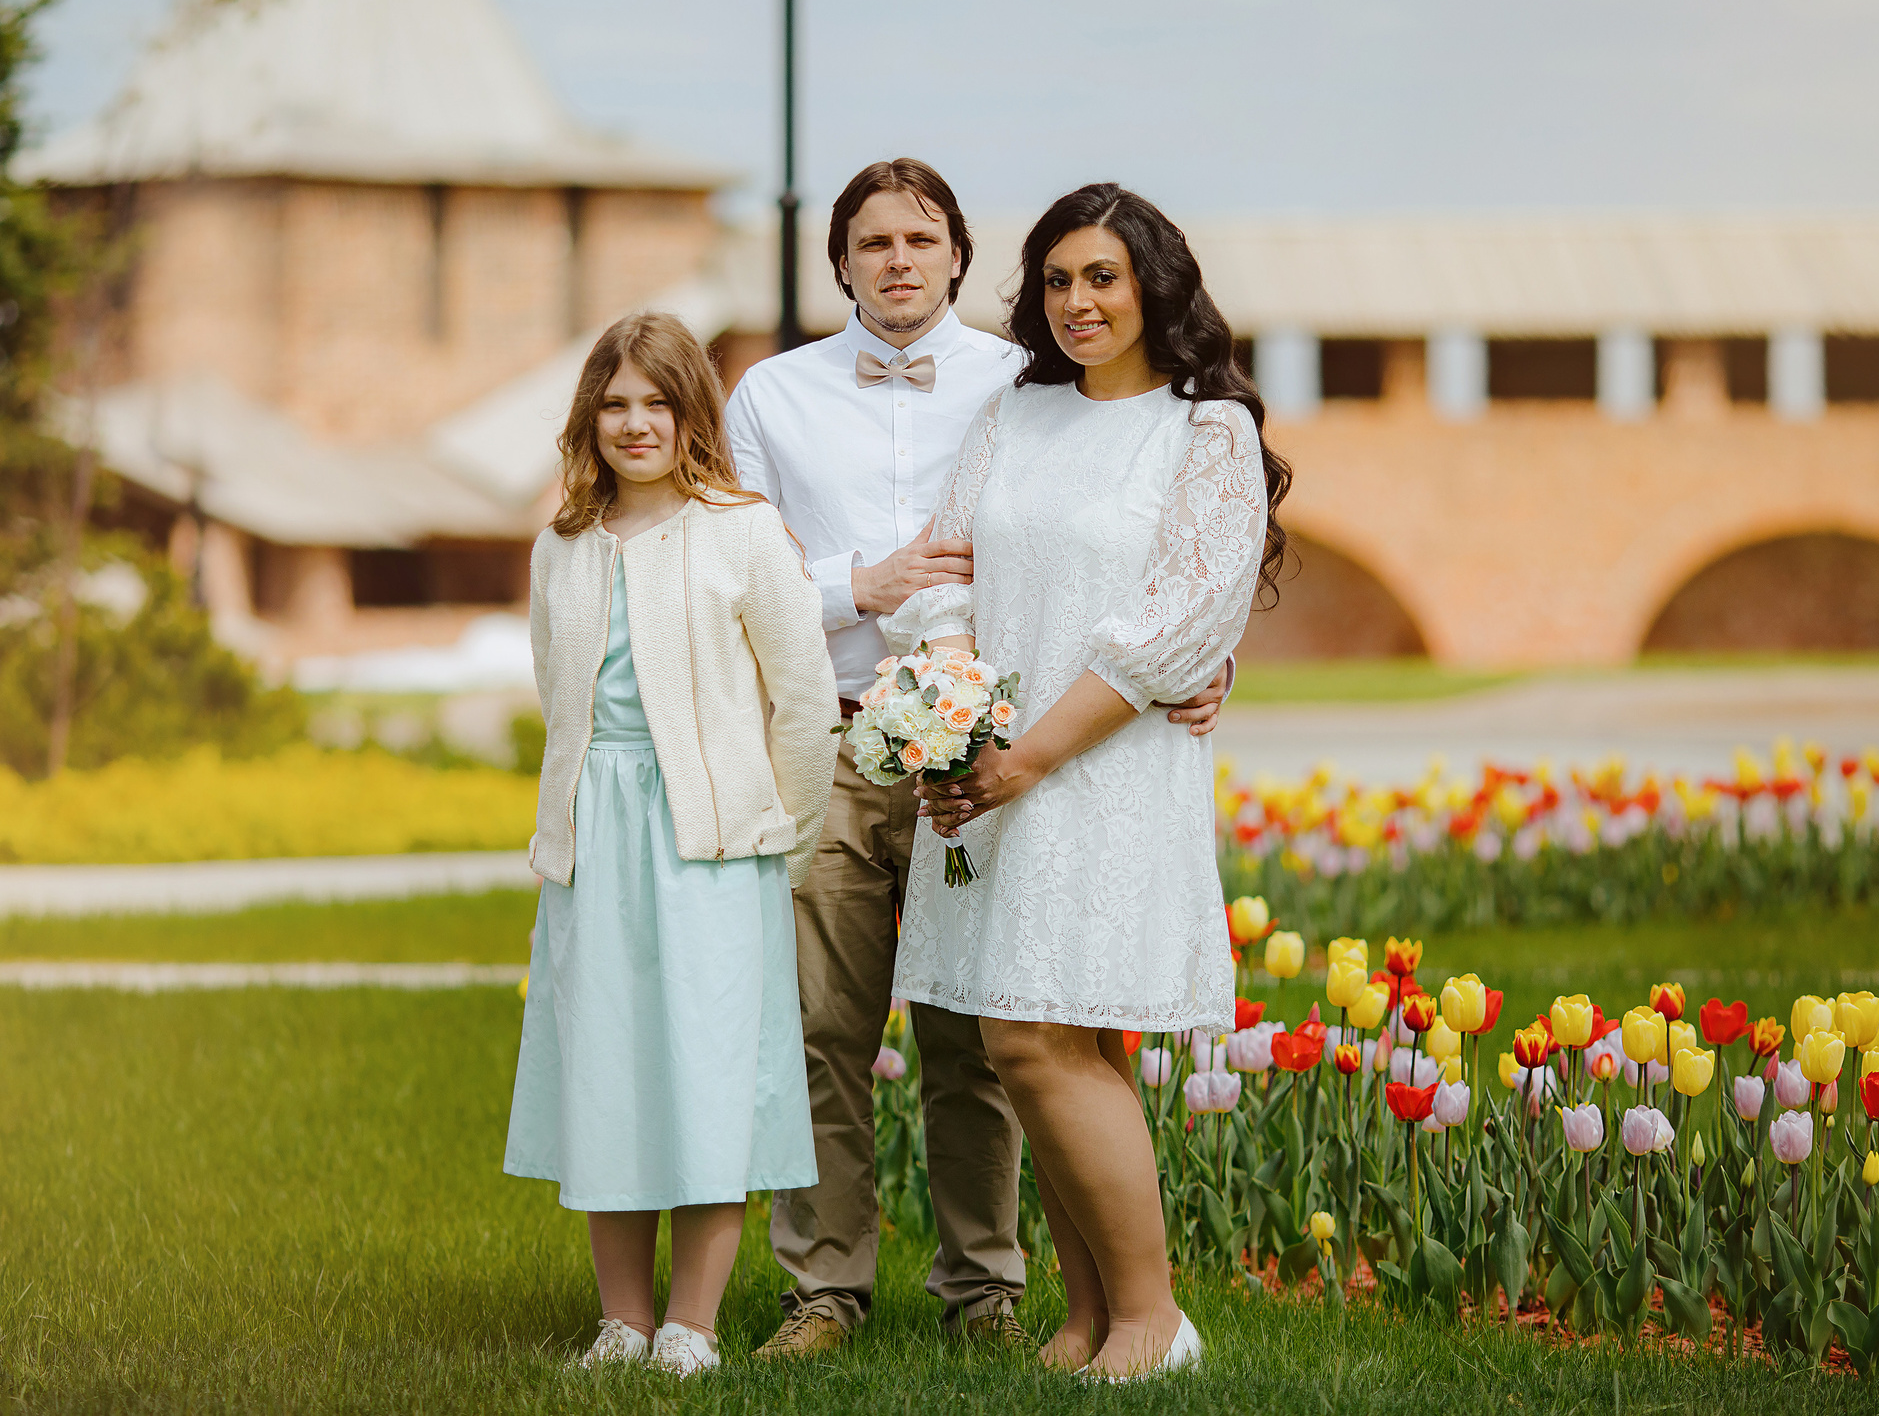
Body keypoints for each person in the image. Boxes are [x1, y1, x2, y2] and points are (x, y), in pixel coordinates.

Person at [723, 159, 1232, 1360]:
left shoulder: (1034, 378)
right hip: (838, 728)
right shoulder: (770, 397)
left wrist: (1199, 662)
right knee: (824, 1031)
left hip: (1014, 750)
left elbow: (1160, 563)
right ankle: (825, 1294)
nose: (897, 259)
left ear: (956, 256)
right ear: (838, 262)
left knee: (995, 1039)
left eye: (921, 238)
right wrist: (866, 588)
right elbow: (733, 575)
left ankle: (987, 1294)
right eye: (871, 243)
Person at [889, 182, 1291, 1381]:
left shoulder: (1202, 432)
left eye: (1102, 277)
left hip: (1102, 769)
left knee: (1034, 1033)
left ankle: (1151, 1321)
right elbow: (945, 578)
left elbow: (1175, 625)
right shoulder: (1013, 417)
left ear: (1154, 285)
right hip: (992, 767)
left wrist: (1032, 755)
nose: (1077, 302)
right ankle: (1084, 1316)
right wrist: (957, 735)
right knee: (1048, 1038)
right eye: (1058, 280)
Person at [503, 310, 839, 1378]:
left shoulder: (740, 531)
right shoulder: (559, 549)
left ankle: (691, 1324)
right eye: (614, 405)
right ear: (588, 419)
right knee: (609, 1069)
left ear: (691, 411)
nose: (635, 423)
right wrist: (565, 824)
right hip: (597, 839)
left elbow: (803, 700)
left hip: (713, 845)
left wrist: (778, 838)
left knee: (703, 1074)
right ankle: (623, 1321)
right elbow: (562, 700)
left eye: (656, 402)